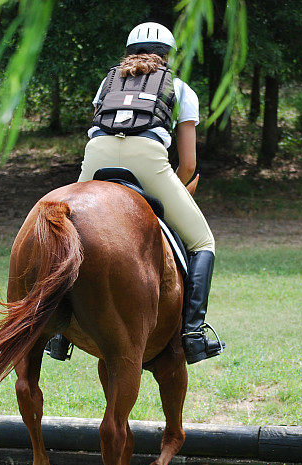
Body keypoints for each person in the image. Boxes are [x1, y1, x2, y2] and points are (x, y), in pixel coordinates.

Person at [46, 22, 224, 365]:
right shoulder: (181, 88)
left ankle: (56, 330)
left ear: (128, 53)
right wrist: (174, 189)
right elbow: (188, 164)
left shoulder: (107, 83)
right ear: (168, 56)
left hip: (96, 155)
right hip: (147, 158)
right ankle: (192, 333)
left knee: (65, 230)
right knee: (203, 242)